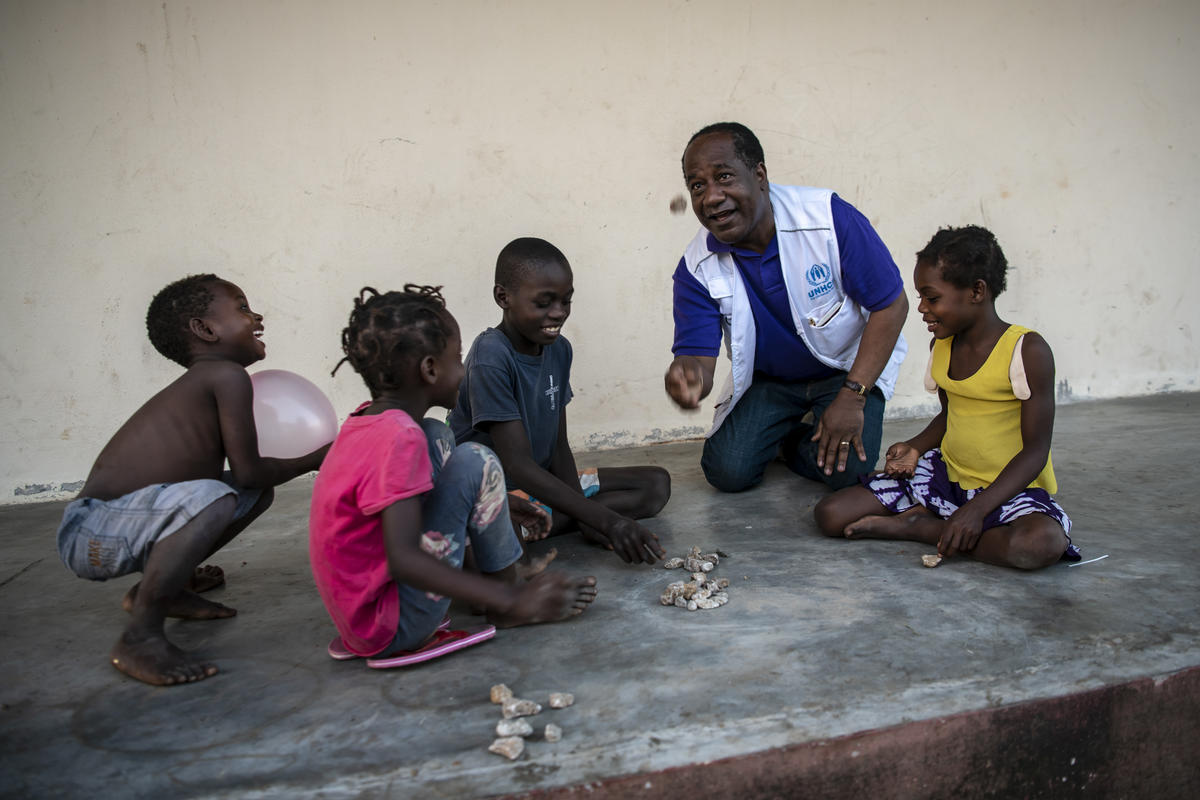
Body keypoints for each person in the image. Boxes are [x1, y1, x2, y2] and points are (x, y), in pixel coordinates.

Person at [55, 274, 329, 686]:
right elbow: (250, 467)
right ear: (205, 330)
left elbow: (249, 478)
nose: (256, 316)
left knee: (249, 494)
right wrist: (318, 458)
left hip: (109, 526)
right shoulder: (226, 376)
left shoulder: (215, 379)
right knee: (216, 496)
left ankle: (162, 586)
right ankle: (141, 637)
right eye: (241, 307)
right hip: (94, 530)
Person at [309, 285, 598, 667]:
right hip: (392, 625)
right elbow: (404, 559)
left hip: (363, 615)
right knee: (474, 458)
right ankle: (504, 594)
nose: (463, 371)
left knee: (438, 435)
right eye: (457, 359)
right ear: (430, 369)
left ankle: (496, 577)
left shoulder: (372, 422)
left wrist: (502, 502)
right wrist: (514, 599)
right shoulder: (398, 438)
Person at [813, 226, 1081, 569]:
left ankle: (922, 528)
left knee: (1037, 545)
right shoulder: (942, 345)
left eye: (932, 297)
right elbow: (951, 415)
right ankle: (944, 526)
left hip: (1009, 490)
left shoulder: (1027, 351)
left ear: (977, 291)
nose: (922, 308)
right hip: (946, 477)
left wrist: (976, 510)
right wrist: (916, 447)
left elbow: (1036, 450)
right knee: (831, 514)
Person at [664, 121, 909, 493]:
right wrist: (689, 377)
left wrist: (852, 396)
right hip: (772, 383)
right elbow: (699, 360)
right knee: (728, 472)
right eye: (698, 186)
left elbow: (892, 305)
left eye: (725, 177)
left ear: (759, 174)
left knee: (848, 473)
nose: (711, 197)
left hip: (846, 371)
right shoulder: (696, 267)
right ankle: (792, 436)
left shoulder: (827, 218)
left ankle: (808, 431)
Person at [448, 238, 671, 564]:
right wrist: (606, 520)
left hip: (540, 484)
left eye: (566, 301)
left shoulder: (559, 348)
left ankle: (551, 521)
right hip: (499, 493)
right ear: (503, 297)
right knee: (504, 527)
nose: (558, 313)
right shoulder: (491, 355)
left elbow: (557, 445)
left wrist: (588, 517)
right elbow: (517, 465)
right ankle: (536, 522)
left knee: (655, 484)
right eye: (544, 303)